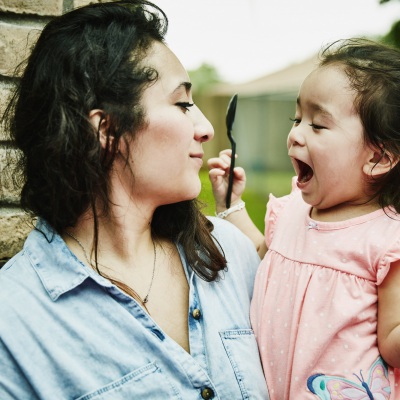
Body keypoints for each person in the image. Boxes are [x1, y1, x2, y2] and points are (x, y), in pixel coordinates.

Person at [0, 1, 270, 399]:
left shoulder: (228, 253)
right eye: (181, 104)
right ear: (107, 129)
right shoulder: (15, 323)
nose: (206, 128)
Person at [208, 38, 400, 399]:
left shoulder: (387, 241)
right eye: (297, 118)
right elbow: (262, 256)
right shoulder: (292, 210)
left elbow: (391, 341)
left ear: (378, 158)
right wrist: (231, 205)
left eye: (318, 125)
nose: (295, 134)